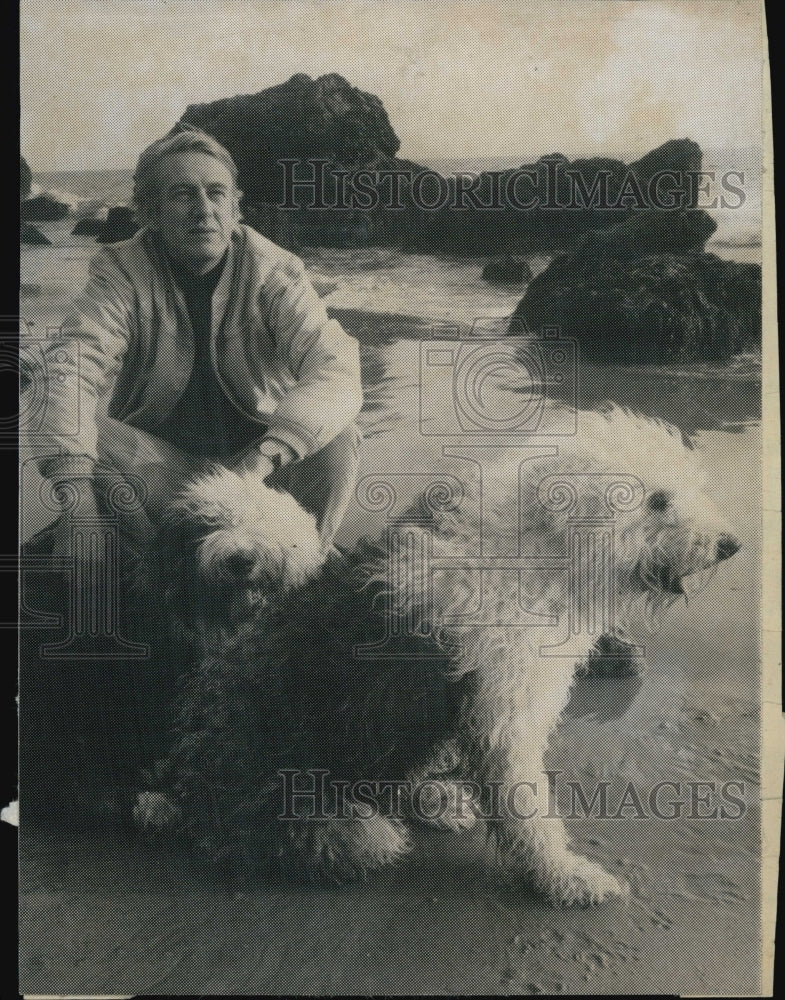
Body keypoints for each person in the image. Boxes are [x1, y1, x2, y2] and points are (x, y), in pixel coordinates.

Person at [33, 127, 364, 567]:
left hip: (262, 475)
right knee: (90, 432)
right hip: (168, 476)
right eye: (183, 195)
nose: (204, 210)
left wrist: (263, 458)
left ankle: (306, 568)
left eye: (216, 193)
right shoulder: (121, 272)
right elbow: (71, 367)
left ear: (235, 207)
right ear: (150, 212)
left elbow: (336, 365)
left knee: (338, 438)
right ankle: (155, 569)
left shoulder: (273, 270)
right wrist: (77, 505)